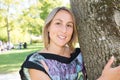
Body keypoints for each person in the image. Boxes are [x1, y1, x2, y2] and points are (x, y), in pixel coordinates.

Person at [19, 7, 120, 80]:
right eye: (58, 23)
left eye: (69, 25)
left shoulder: (80, 56)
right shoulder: (36, 63)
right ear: (48, 27)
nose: (64, 30)